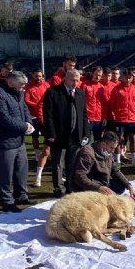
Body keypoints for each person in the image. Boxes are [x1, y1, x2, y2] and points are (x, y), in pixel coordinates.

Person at [0, 71, 36, 212]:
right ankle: (6, 201)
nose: (23, 88)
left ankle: (21, 194)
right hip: (4, 140)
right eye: (21, 85)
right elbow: (3, 118)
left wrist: (28, 122)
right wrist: (23, 127)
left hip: (18, 140)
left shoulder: (18, 92)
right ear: (11, 82)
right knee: (5, 173)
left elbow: (24, 108)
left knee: (21, 169)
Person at [43, 68, 91, 197]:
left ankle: (70, 186)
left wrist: (86, 133)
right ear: (65, 79)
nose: (75, 83)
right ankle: (58, 188)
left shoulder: (80, 93)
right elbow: (48, 116)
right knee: (58, 163)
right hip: (58, 136)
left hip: (76, 135)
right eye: (72, 80)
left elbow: (84, 115)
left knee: (72, 163)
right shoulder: (53, 92)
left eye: (77, 80)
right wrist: (51, 134)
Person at [71, 131, 135, 196]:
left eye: (114, 148)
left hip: (102, 182)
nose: (113, 151)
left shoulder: (108, 152)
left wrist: (129, 185)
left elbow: (115, 171)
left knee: (120, 187)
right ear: (103, 144)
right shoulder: (88, 153)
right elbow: (79, 176)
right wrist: (98, 188)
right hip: (89, 185)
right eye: (111, 148)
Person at [108, 66, 135, 168]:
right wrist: (118, 113)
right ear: (123, 77)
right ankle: (117, 161)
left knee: (133, 139)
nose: (128, 79)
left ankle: (134, 161)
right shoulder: (116, 89)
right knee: (118, 140)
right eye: (126, 77)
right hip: (120, 119)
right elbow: (112, 104)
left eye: (130, 77)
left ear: (132, 78)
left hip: (132, 118)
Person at [24, 67, 50, 187]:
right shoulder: (29, 87)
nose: (38, 78)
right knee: (35, 136)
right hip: (34, 116)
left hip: (45, 116)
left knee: (48, 141)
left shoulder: (46, 85)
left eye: (40, 76)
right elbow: (26, 100)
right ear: (33, 76)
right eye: (36, 76)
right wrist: (38, 104)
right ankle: (36, 153)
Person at [82, 66, 107, 142]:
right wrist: (84, 117)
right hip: (88, 118)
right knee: (86, 139)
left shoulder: (102, 88)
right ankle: (84, 153)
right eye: (96, 74)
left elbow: (104, 104)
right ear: (92, 74)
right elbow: (81, 103)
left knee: (98, 140)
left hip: (99, 119)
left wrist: (104, 117)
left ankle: (96, 154)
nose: (98, 77)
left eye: (99, 75)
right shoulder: (85, 85)